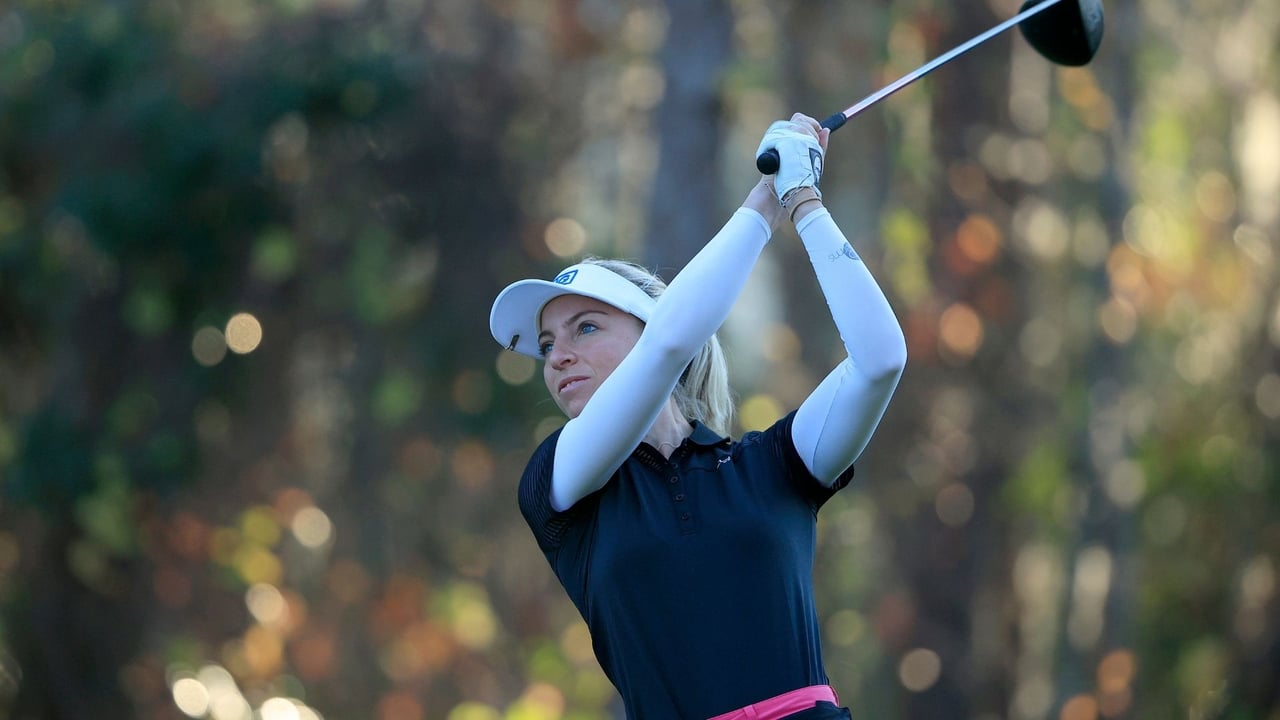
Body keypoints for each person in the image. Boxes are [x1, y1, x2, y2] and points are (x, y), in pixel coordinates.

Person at [489, 114, 907, 719]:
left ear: (647, 324)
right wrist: (763, 205)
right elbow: (667, 346)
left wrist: (803, 200)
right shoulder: (560, 483)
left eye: (585, 327)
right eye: (547, 345)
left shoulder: (771, 466)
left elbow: (880, 359)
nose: (559, 357)